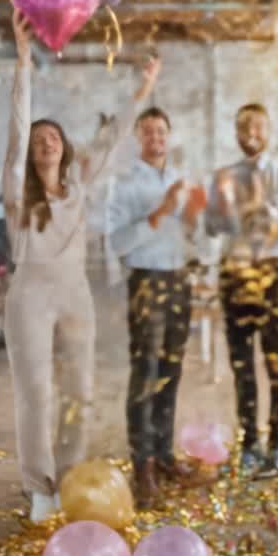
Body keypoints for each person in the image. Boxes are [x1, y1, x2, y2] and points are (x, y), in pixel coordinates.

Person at [2, 12, 161, 521]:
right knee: (36, 394)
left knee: (81, 391)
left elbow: (112, 139)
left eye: (54, 135)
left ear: (65, 147)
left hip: (74, 294)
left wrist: (142, 91)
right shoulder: (15, 192)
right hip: (29, 296)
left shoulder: (77, 188)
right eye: (39, 136)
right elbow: (17, 120)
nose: (47, 139)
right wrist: (24, 61)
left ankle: (69, 474)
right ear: (28, 150)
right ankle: (38, 486)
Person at [106, 105, 208, 507]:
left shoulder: (181, 181)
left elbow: (193, 239)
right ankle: (142, 464)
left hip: (178, 279)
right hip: (146, 281)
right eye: (147, 132)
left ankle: (164, 455)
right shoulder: (124, 184)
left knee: (171, 370)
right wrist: (161, 212)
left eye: (161, 131)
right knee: (145, 373)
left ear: (169, 137)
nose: (155, 138)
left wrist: (195, 218)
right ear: (138, 138)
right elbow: (116, 244)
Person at [206, 102, 278, 478]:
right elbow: (213, 228)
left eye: (258, 125)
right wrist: (226, 211)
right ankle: (250, 442)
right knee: (242, 363)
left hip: (273, 271)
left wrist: (262, 207)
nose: (252, 132)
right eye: (244, 125)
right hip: (235, 272)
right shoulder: (223, 177)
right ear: (235, 132)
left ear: (269, 130)